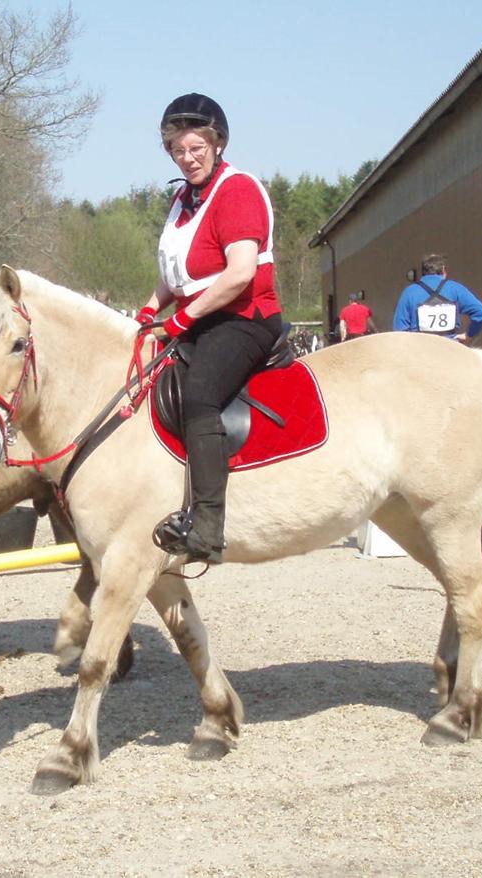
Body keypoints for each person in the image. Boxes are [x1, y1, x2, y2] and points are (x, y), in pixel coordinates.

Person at [135, 93, 282, 564]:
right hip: (198, 317)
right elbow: (173, 274)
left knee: (199, 393)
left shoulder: (238, 190)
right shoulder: (182, 199)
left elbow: (239, 273)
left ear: (217, 144)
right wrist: (146, 312)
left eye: (196, 147)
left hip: (243, 317)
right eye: (178, 149)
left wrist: (179, 319)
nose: (188, 157)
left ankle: (206, 525)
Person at [392, 254, 482, 341]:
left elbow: (399, 329)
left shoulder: (409, 292)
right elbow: (481, 312)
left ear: (423, 272)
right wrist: (469, 334)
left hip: (419, 348)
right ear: (443, 269)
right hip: (450, 347)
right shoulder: (455, 288)